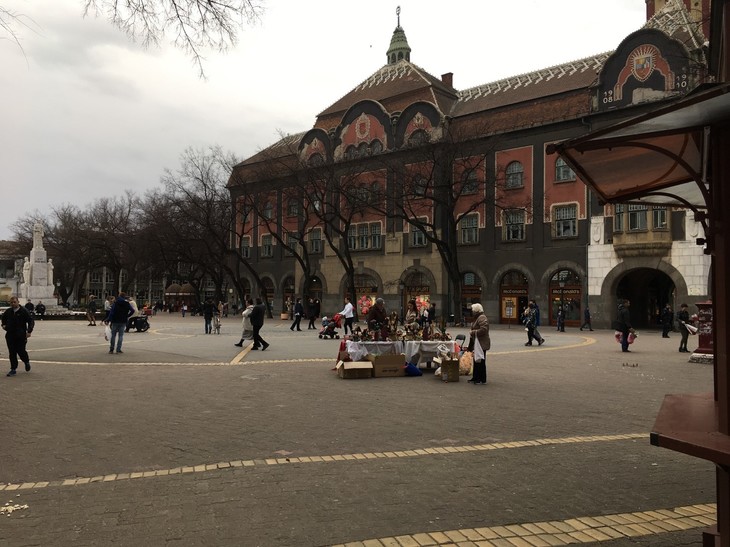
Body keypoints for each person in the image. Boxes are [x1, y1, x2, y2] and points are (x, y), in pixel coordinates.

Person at [2, 296, 34, 376]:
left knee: (21, 351)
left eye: (14, 302)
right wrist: (4, 325)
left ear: (18, 302)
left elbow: (31, 321)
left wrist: (29, 331)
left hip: (20, 335)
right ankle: (13, 369)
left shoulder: (23, 311)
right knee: (12, 352)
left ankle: (26, 361)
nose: (13, 304)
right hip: (10, 335)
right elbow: (3, 319)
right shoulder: (8, 311)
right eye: (11, 302)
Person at [467, 303, 490, 385]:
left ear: (476, 310)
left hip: (481, 343)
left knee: (481, 361)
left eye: (473, 310)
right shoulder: (477, 318)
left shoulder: (482, 317)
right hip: (477, 343)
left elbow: (484, 329)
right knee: (476, 360)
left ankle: (481, 379)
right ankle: (475, 377)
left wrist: (473, 332)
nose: (472, 312)